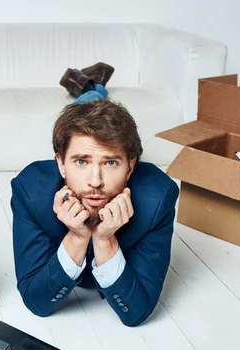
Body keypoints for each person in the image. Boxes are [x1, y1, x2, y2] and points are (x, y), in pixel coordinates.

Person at [10, 63, 179, 327]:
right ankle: (88, 87)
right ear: (61, 165)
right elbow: (36, 302)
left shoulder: (159, 198)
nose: (95, 182)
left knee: (102, 126)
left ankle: (91, 88)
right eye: (81, 162)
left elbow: (136, 312)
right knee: (88, 109)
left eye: (111, 163)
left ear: (130, 167)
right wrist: (77, 237)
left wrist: (105, 239)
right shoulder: (30, 191)